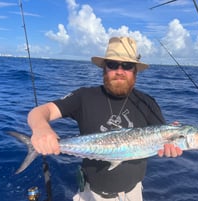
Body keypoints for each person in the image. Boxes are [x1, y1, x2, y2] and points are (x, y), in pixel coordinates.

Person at [28, 36, 183, 201]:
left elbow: (163, 137)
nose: (119, 71)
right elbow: (39, 112)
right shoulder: (84, 97)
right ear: (104, 68)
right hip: (91, 194)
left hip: (134, 193)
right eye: (112, 64)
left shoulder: (147, 103)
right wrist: (41, 129)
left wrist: (171, 143)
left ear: (135, 71)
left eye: (127, 65)